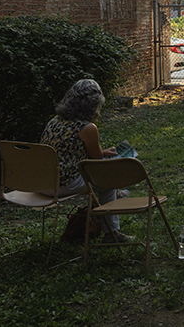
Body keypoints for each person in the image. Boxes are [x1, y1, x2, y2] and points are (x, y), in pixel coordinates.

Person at [40, 79, 131, 242]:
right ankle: (112, 234)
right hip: (63, 184)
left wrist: (102, 152)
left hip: (42, 182)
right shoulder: (86, 128)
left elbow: (68, 152)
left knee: (103, 179)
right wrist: (105, 156)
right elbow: (95, 163)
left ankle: (114, 201)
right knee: (107, 180)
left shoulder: (54, 121)